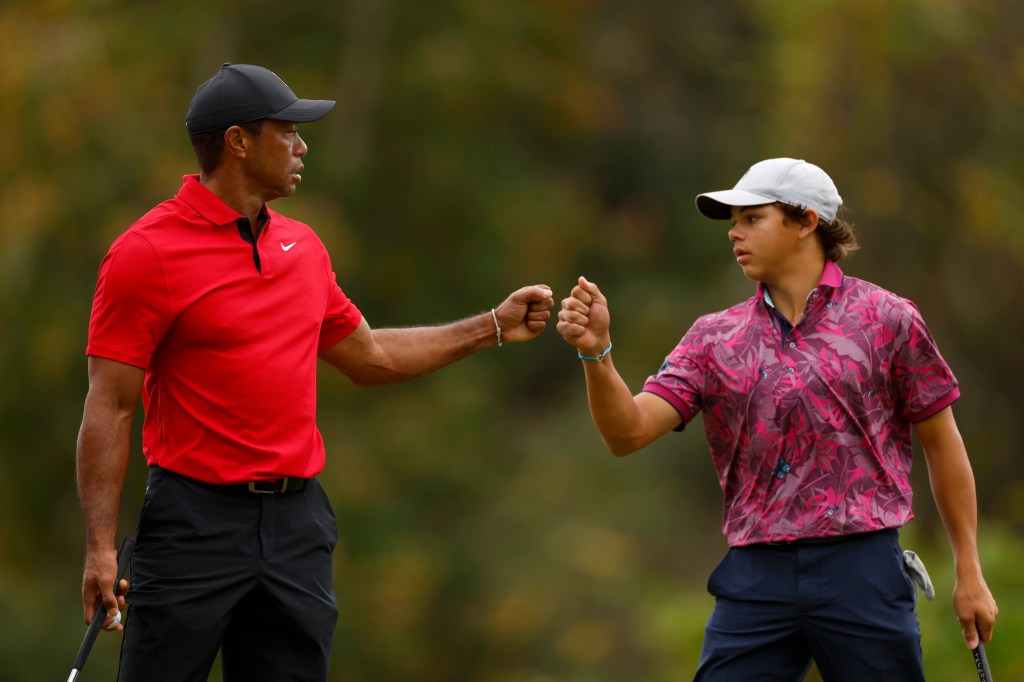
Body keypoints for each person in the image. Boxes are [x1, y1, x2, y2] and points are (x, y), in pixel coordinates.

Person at [77, 63, 554, 681]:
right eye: (288, 131)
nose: (302, 146)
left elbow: (371, 357)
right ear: (238, 141)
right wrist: (99, 546)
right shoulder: (145, 253)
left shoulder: (303, 248)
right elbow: (109, 405)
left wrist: (491, 325)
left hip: (296, 526)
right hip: (192, 523)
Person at [556, 158, 998, 680]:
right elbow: (627, 432)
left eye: (752, 219)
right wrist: (597, 353)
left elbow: (943, 444)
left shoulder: (887, 318)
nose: (735, 234)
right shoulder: (713, 337)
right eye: (733, 222)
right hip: (755, 575)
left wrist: (968, 570)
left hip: (861, 569)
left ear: (806, 221)